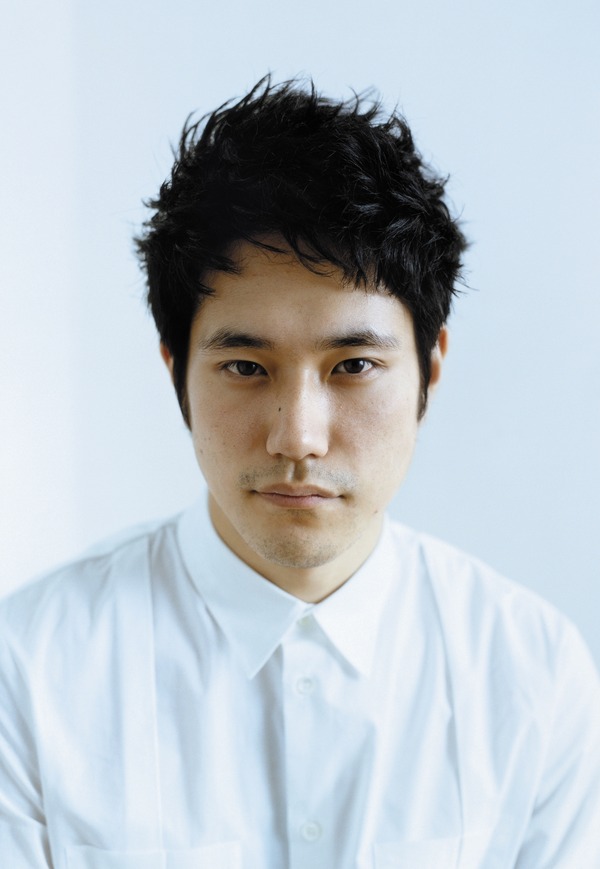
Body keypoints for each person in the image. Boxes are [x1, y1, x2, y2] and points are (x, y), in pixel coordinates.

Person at [1, 77, 599, 869]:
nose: (298, 436)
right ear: (177, 372)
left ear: (430, 368)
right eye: (246, 367)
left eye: (353, 365)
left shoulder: (533, 674)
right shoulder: (29, 670)